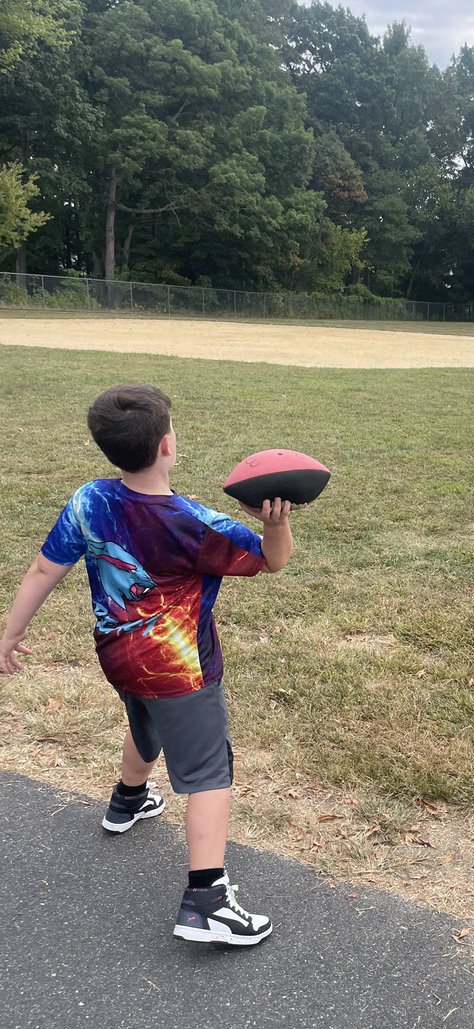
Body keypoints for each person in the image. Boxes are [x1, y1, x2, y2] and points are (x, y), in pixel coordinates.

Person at [0, 384, 297, 947]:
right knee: (209, 770)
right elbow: (272, 561)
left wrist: (10, 633)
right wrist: (275, 520)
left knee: (146, 717)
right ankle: (208, 900)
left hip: (117, 653)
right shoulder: (196, 522)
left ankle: (128, 799)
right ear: (168, 444)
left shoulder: (89, 499)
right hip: (179, 667)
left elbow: (43, 571)